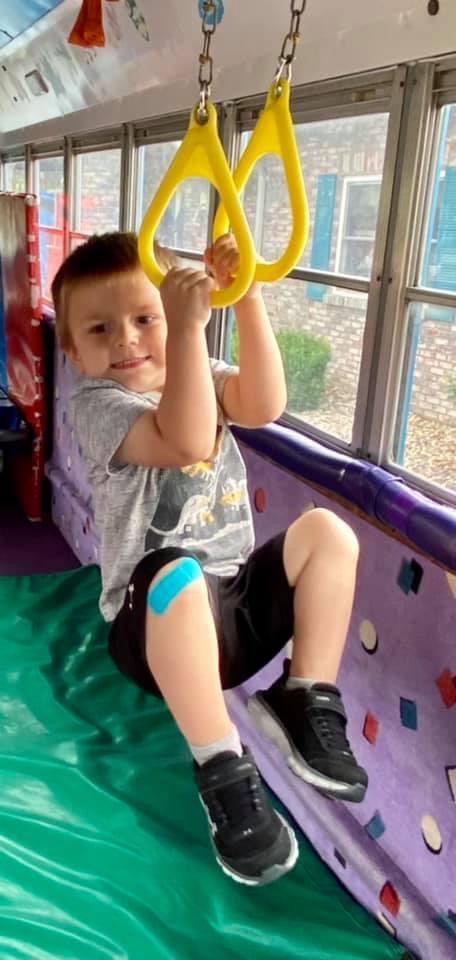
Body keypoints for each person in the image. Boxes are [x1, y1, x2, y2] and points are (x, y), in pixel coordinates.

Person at [51, 231, 368, 888]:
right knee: (177, 570)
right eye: (101, 329)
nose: (127, 339)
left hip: (232, 614)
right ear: (73, 349)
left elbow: (265, 403)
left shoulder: (199, 371)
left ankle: (303, 696)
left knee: (328, 534)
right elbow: (187, 437)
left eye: (147, 318)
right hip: (151, 629)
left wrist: (245, 298)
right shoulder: (97, 405)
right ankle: (222, 767)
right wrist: (188, 331)